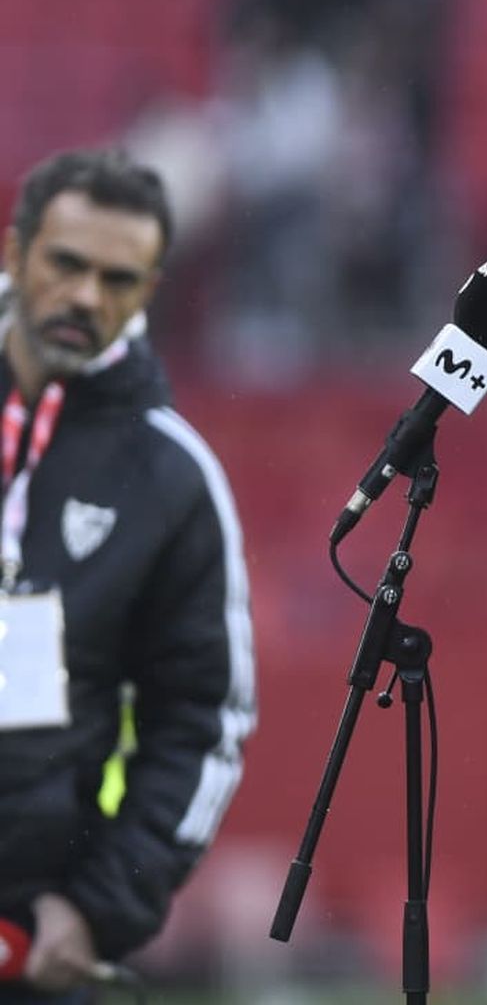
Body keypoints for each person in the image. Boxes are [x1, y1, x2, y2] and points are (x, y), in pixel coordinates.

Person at [0, 148, 255, 1002]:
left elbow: (203, 720)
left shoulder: (173, 479)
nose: (85, 298)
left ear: (149, 293)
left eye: (118, 278)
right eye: (66, 264)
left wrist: (100, 906)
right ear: (13, 252)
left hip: (27, 935)